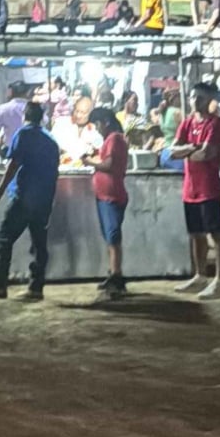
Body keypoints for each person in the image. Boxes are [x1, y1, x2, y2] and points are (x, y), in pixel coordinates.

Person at [0, 100, 61, 301]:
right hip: (44, 198)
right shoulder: (51, 139)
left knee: (5, 238)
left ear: (24, 115)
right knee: (39, 244)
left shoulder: (23, 134)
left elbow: (13, 165)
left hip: (24, 197)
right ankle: (36, 287)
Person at [170, 84, 220, 300]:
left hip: (209, 188)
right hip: (190, 189)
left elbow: (207, 154)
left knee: (217, 235)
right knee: (196, 234)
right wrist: (193, 148)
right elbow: (172, 151)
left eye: (201, 97)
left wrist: (186, 150)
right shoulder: (187, 123)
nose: (195, 101)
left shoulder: (215, 124)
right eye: (193, 96)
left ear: (210, 100)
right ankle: (200, 275)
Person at [87, 106, 129, 299]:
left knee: (113, 237)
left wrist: (90, 162)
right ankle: (113, 273)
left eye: (97, 124)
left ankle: (117, 277)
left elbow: (109, 165)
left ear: (105, 122)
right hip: (105, 195)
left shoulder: (114, 139)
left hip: (112, 195)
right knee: (109, 237)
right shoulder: (111, 139)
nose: (97, 129)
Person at [0, 83, 30, 158]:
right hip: (31, 149)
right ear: (27, 92)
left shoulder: (1, 109)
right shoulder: (35, 108)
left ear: (11, 93)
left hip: (10, 149)